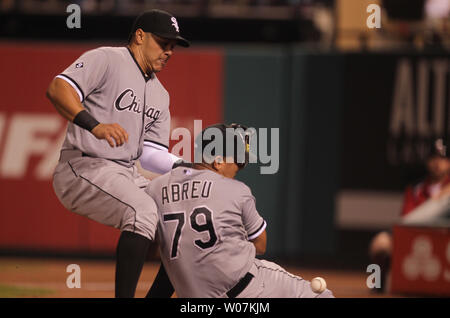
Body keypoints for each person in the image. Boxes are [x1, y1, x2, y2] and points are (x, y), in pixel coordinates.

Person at [46, 9, 190, 298]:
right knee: (143, 210)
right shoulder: (108, 59)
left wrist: (188, 165)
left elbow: (151, 155)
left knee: (182, 225)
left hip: (126, 172)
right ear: (140, 36)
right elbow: (58, 88)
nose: (169, 51)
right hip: (82, 167)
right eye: (163, 43)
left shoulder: (161, 94)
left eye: (173, 46)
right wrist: (94, 125)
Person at [145, 123, 335, 298]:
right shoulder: (236, 190)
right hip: (249, 288)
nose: (237, 168)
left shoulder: (155, 188)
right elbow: (261, 245)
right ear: (218, 162)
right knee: (322, 295)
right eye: (235, 162)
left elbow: (155, 248)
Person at [369, 138, 450, 293]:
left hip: (445, 244)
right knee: (380, 242)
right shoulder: (415, 189)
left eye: (443, 159)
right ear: (427, 162)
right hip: (418, 243)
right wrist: (435, 202)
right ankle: (378, 283)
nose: (437, 163)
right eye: (433, 158)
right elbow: (406, 223)